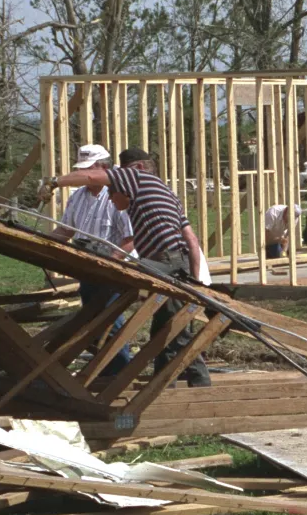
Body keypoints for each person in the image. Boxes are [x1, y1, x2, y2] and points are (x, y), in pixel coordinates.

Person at [41, 149, 213, 388]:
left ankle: (165, 387)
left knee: (136, 300)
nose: (112, 198)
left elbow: (93, 179)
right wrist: (196, 284)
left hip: (164, 261)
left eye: (113, 192)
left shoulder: (136, 179)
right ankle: (179, 386)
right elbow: (192, 242)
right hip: (174, 261)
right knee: (172, 327)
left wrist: (52, 182)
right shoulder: (166, 194)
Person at [48, 145, 136, 376]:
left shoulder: (117, 196)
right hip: (88, 270)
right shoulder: (78, 197)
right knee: (92, 320)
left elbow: (130, 240)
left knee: (110, 320)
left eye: (89, 170)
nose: (84, 175)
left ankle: (118, 372)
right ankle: (103, 369)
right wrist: (38, 241)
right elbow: (65, 231)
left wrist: (112, 264)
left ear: (103, 168)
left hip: (114, 270)